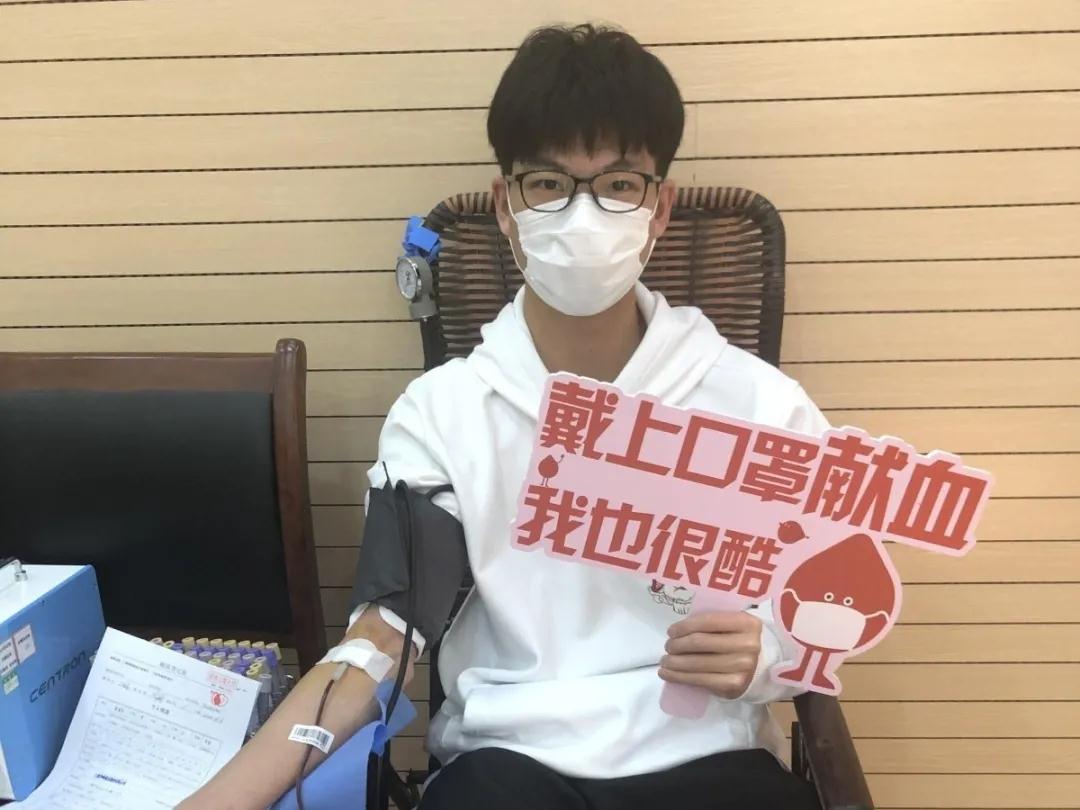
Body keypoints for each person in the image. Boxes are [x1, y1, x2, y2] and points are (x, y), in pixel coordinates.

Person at [180, 23, 825, 810]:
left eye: (619, 184)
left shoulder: (759, 406)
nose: (583, 215)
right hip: (509, 766)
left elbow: (831, 597)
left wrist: (772, 650)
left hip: (709, 759)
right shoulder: (444, 414)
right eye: (548, 183)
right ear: (506, 206)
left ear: (660, 208)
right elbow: (383, 639)